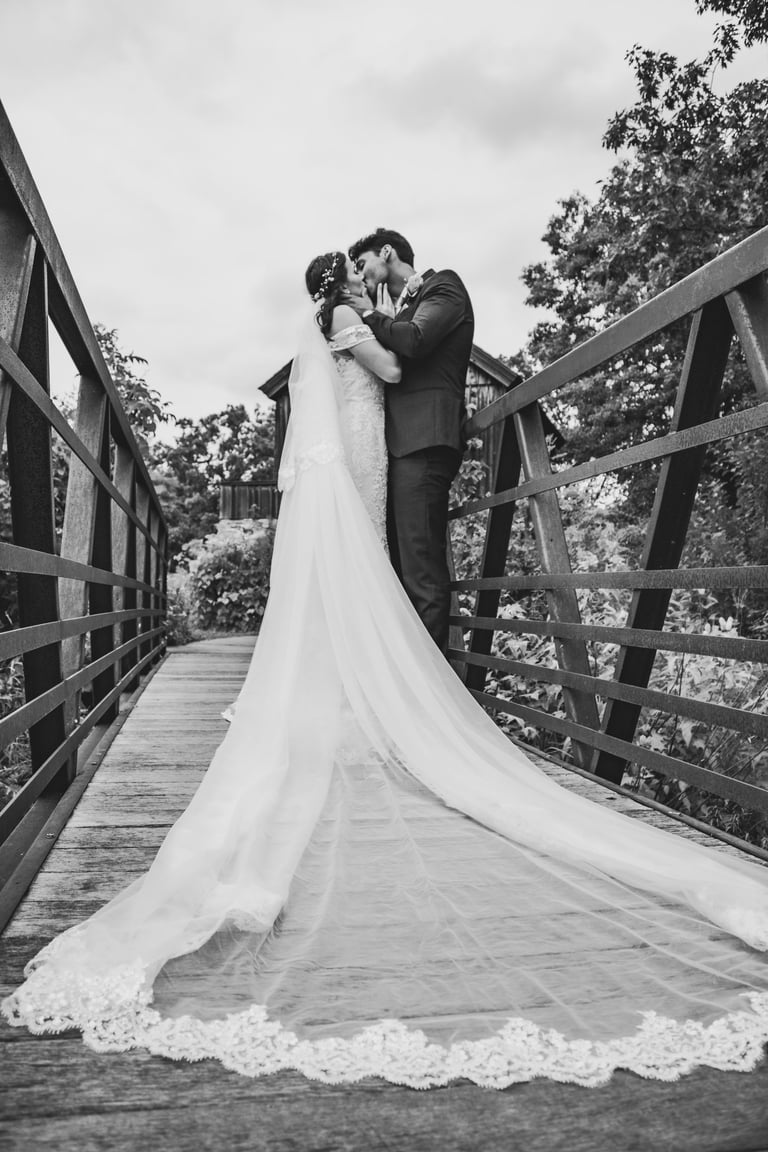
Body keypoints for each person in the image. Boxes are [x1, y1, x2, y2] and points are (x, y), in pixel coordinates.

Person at [3, 251, 768, 1090]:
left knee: (379, 571)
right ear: (345, 284)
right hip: (358, 456)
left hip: (371, 452)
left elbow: (387, 363)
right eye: (360, 272)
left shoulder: (366, 311)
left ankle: (372, 683)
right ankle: (384, 689)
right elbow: (392, 363)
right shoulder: (346, 322)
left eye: (377, 267)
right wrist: (367, 322)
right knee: (374, 570)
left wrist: (369, 322)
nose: (372, 279)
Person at [343, 228, 474, 654]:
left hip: (425, 444)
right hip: (398, 450)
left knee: (421, 573)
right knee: (399, 570)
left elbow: (415, 341)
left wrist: (368, 314)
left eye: (362, 265)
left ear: (388, 252)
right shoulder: (396, 306)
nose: (360, 277)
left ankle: (430, 696)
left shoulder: (444, 286)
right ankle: (406, 680)